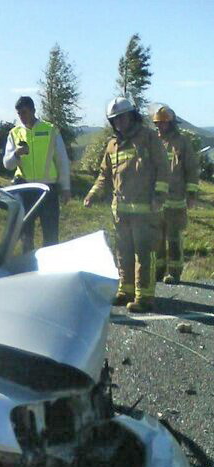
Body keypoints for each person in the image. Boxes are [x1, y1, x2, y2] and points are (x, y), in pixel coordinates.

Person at [84, 97, 170, 313]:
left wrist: (158, 196)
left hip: (145, 210)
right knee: (123, 251)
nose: (119, 122)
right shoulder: (112, 145)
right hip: (121, 211)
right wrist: (92, 194)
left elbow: (162, 168)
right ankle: (126, 290)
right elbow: (104, 174)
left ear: (132, 115)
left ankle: (144, 297)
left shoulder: (148, 138)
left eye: (122, 117)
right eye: (115, 119)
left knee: (144, 253)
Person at [2, 96, 71, 252]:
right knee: (25, 235)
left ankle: (51, 270)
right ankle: (29, 269)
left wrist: (65, 187)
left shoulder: (50, 130)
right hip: (25, 189)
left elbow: (62, 160)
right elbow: (7, 164)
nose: (22, 116)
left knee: (51, 234)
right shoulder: (14, 133)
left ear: (33, 110)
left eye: (24, 112)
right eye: (19, 113)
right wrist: (16, 155)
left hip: (48, 189)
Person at [152, 104, 199, 284]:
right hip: (156, 201)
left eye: (163, 124)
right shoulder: (153, 141)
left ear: (171, 124)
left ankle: (174, 272)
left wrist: (192, 194)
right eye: (158, 124)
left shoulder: (182, 142)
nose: (160, 127)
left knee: (173, 238)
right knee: (157, 238)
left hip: (176, 200)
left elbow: (191, 169)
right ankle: (158, 270)